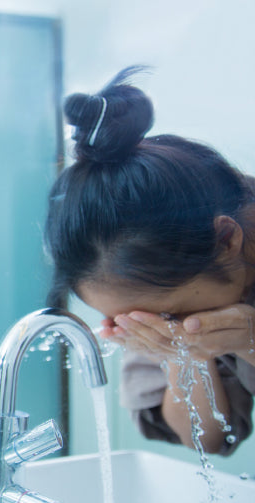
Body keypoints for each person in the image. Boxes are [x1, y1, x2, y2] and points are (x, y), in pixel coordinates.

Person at [44, 67, 255, 456]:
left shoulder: (165, 272)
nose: (164, 329)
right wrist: (181, 356)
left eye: (171, 318)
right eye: (139, 321)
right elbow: (208, 440)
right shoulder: (152, 289)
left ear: (226, 239)